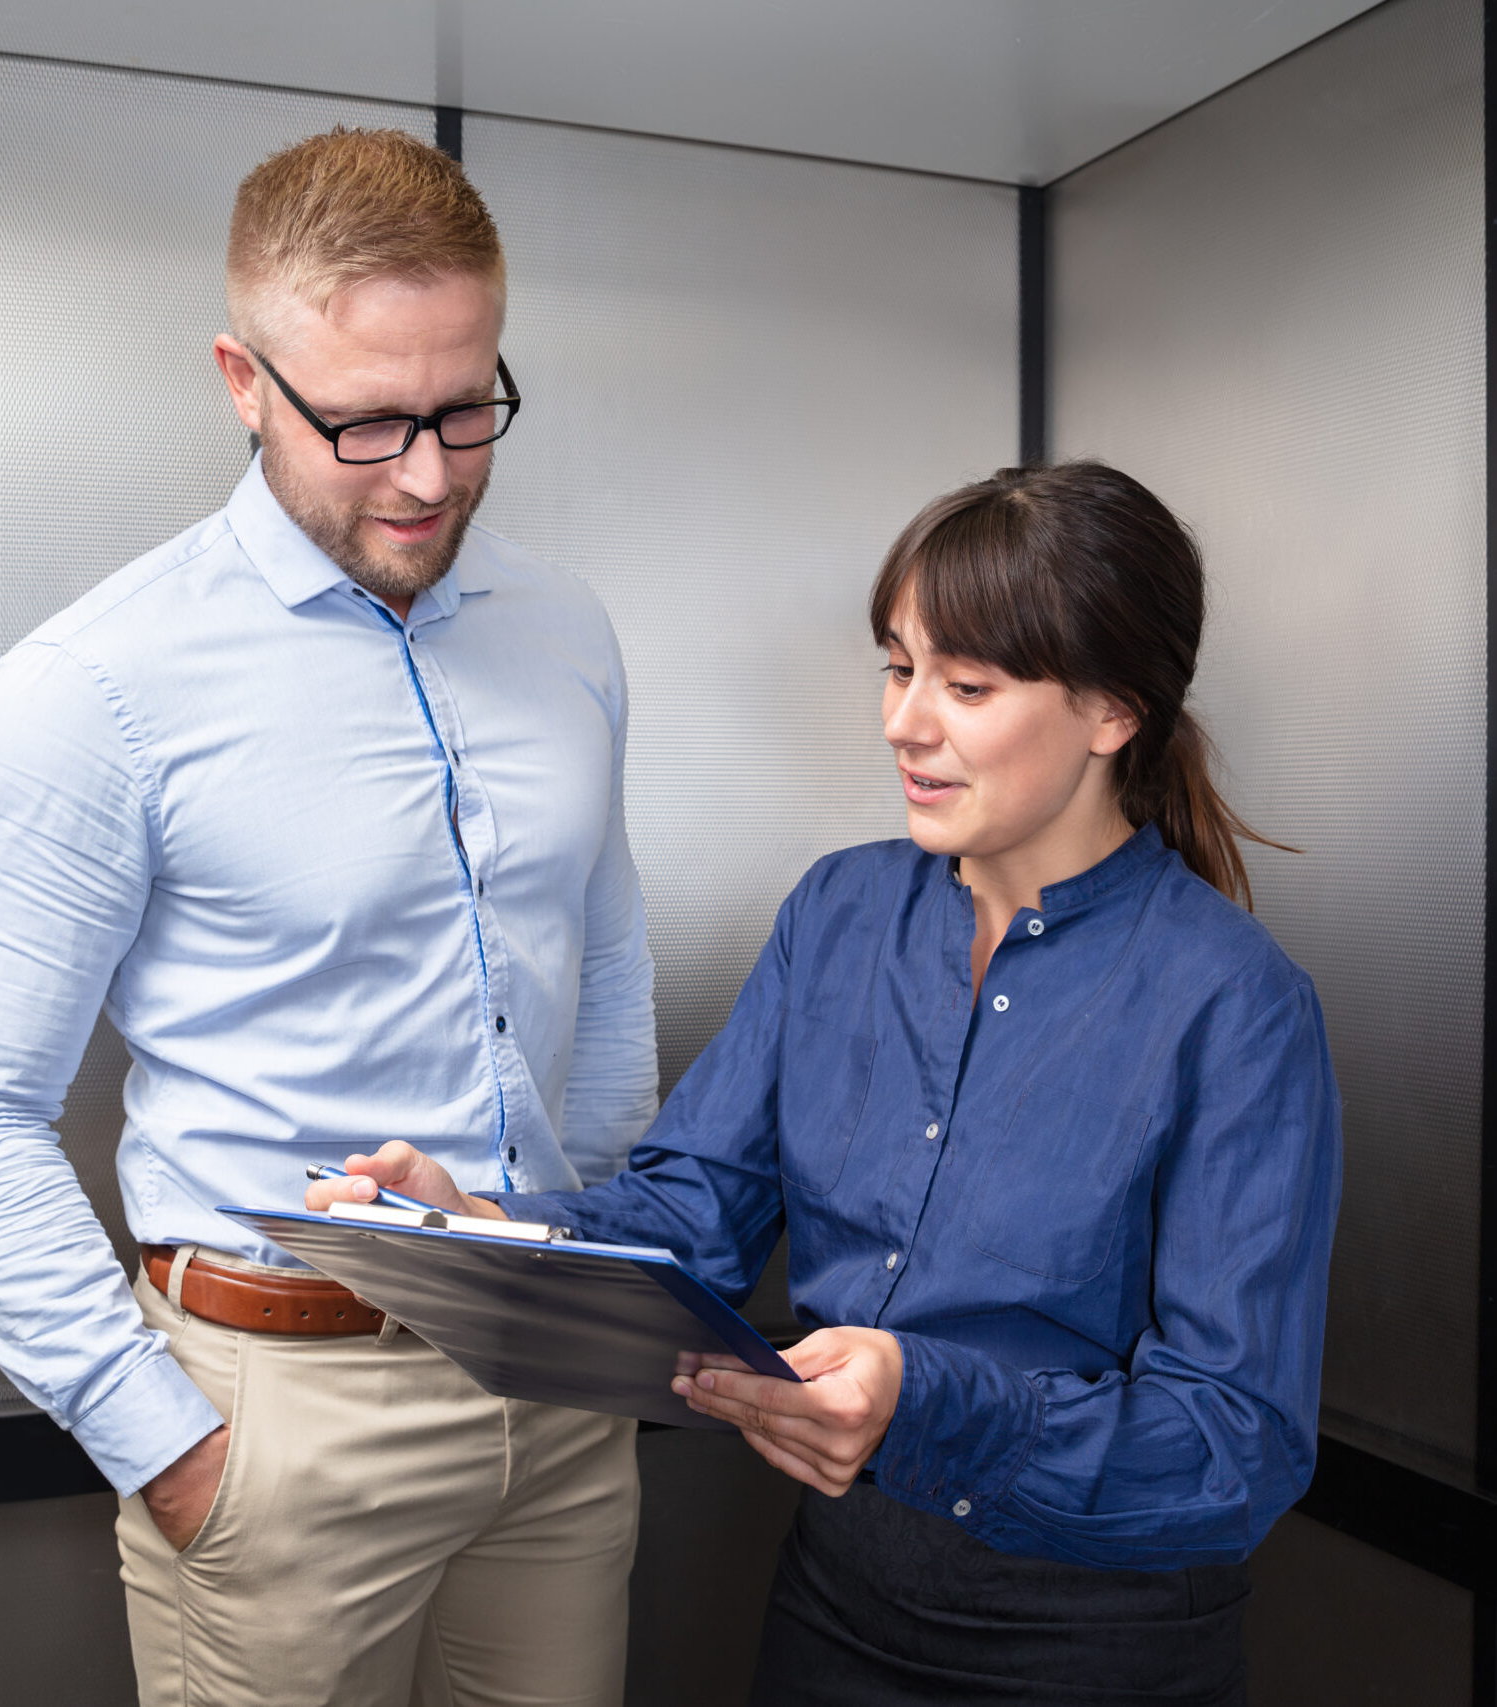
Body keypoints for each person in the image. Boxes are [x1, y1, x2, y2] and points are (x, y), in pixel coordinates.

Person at [309, 461, 1343, 1707]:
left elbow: (1235, 1450)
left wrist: (926, 1401)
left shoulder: (1237, 1006)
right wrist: (488, 1228)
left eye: (968, 685)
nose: (906, 722)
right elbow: (691, 1215)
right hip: (836, 1613)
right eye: (900, 669)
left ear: (1113, 711)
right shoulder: (839, 914)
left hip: (1099, 1651)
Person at [0, 127, 656, 1707]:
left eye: (465, 405)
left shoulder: (569, 629)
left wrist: (593, 1279)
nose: (430, 472)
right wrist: (168, 1448)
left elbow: (604, 970)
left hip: (558, 1395)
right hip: (281, 1414)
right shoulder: (93, 687)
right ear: (244, 381)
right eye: (368, 421)